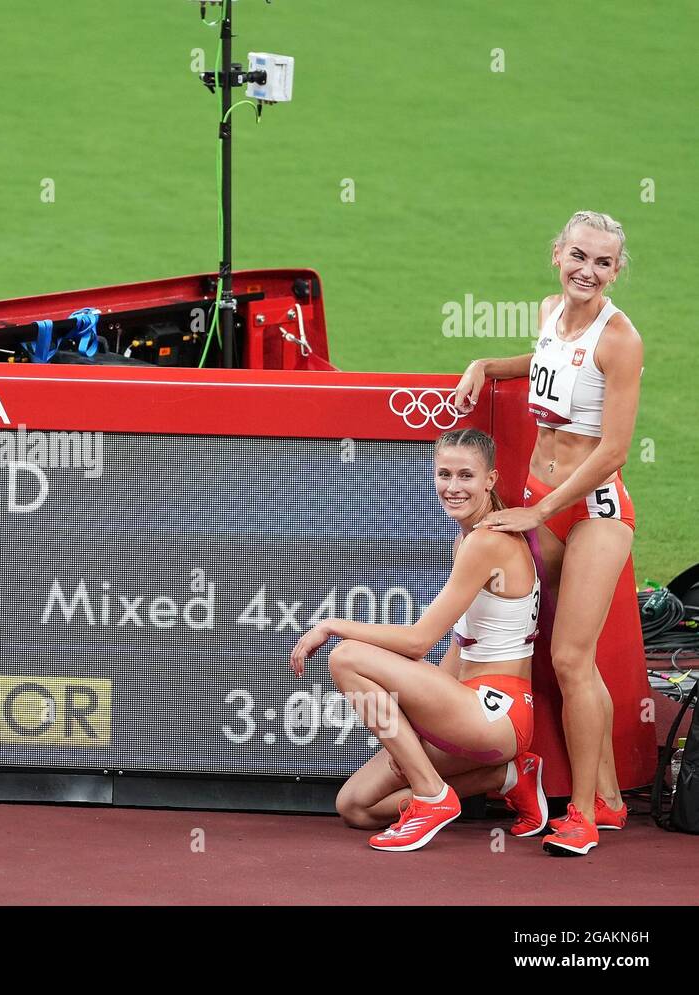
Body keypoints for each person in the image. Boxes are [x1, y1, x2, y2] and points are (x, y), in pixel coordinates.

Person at [452, 211, 640, 856]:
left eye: (603, 262)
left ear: (618, 270)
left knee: (567, 658)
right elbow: (545, 365)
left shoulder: (621, 340)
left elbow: (613, 450)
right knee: (570, 662)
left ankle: (583, 815)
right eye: (579, 256)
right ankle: (611, 800)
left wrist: (540, 510)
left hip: (595, 512)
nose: (588, 271)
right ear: (556, 254)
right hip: (543, 499)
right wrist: (488, 364)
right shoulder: (548, 312)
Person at [290, 430, 547, 852]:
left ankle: (431, 795)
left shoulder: (486, 542)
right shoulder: (467, 539)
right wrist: (420, 721)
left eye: (466, 475)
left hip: (497, 713)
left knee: (346, 657)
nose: (453, 486)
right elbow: (456, 646)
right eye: (444, 474)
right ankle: (506, 777)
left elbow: (417, 643)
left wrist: (333, 625)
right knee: (354, 806)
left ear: (491, 480)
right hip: (463, 709)